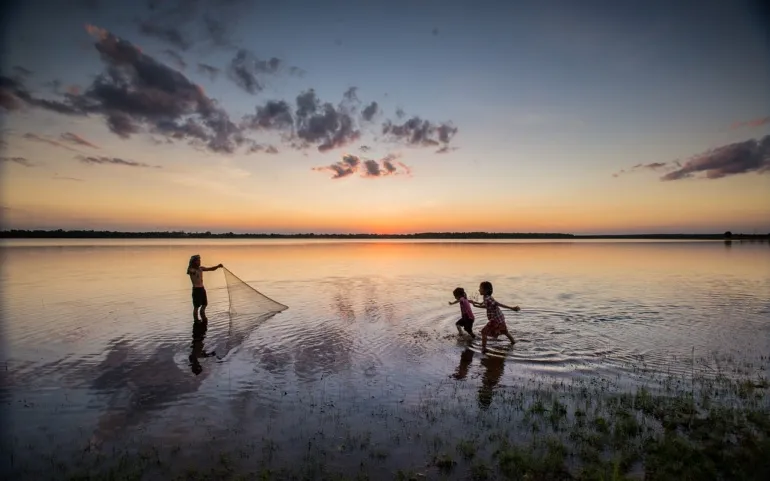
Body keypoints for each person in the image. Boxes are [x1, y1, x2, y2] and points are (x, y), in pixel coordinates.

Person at [470, 281, 519, 352]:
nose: (479, 290)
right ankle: (513, 342)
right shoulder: (486, 297)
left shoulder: (487, 298)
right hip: (499, 318)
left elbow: (497, 304)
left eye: (480, 288)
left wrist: (511, 308)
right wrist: (475, 304)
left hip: (495, 319)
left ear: (486, 291)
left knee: (483, 332)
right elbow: (485, 305)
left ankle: (484, 348)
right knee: (505, 332)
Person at [186, 255, 223, 322]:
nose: (199, 261)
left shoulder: (201, 268)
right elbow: (189, 271)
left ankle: (202, 315)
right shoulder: (191, 269)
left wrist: (218, 266)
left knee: (205, 304)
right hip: (196, 290)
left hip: (202, 289)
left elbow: (211, 269)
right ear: (194, 262)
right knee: (196, 307)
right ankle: (196, 321)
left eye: (199, 260)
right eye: (198, 260)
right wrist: (191, 264)